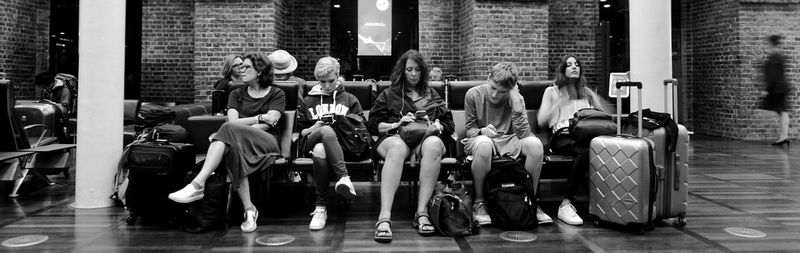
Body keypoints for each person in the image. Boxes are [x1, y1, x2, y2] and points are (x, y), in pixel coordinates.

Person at [168, 52, 286, 233]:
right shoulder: (236, 93)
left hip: (266, 142)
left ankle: (198, 185)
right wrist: (259, 117)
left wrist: (240, 129)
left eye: (246, 67)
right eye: (240, 67)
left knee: (227, 131)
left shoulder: (277, 93)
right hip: (240, 141)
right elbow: (234, 122)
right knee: (233, 147)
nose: (241, 71)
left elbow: (270, 124)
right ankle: (249, 210)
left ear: (260, 71)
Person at [367, 49, 454, 242]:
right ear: (402, 71)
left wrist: (438, 125)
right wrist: (396, 124)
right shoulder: (389, 94)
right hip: (395, 137)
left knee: (433, 145)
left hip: (424, 138)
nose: (413, 74)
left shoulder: (432, 94)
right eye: (409, 70)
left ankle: (422, 212)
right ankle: (384, 216)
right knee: (397, 148)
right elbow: (373, 125)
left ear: (423, 72)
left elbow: (449, 125)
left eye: (417, 70)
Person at [461, 62, 548, 226]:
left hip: (510, 139)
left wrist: (516, 101)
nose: (494, 95)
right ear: (488, 78)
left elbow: (523, 134)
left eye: (501, 92)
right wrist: (482, 131)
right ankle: (479, 202)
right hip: (482, 140)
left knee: (535, 145)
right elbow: (470, 130)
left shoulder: (516, 98)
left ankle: (530, 199)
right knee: (485, 144)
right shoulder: (473, 94)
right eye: (493, 88)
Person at [537, 54, 606, 226]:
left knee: (593, 151)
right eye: (569, 65)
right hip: (563, 136)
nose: (574, 67)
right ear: (562, 70)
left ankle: (601, 200)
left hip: (587, 136)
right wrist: (561, 101)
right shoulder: (552, 91)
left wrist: (594, 100)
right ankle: (566, 203)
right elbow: (541, 121)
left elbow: (603, 114)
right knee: (586, 153)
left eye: (576, 64)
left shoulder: (587, 93)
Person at [296, 56, 363, 230]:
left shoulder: (350, 99)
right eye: (322, 81)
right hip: (310, 142)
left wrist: (341, 122)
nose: (326, 85)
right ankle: (344, 177)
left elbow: (360, 127)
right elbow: (301, 131)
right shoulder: (308, 100)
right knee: (324, 132)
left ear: (338, 75)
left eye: (331, 80)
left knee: (321, 149)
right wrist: (315, 127)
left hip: (342, 146)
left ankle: (320, 207)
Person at [763, 35, 791, 146]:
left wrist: (767, 89)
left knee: (782, 110)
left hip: (777, 88)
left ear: (771, 43)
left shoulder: (775, 56)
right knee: (781, 110)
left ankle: (783, 137)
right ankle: (783, 136)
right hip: (779, 88)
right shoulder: (778, 55)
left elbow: (773, 75)